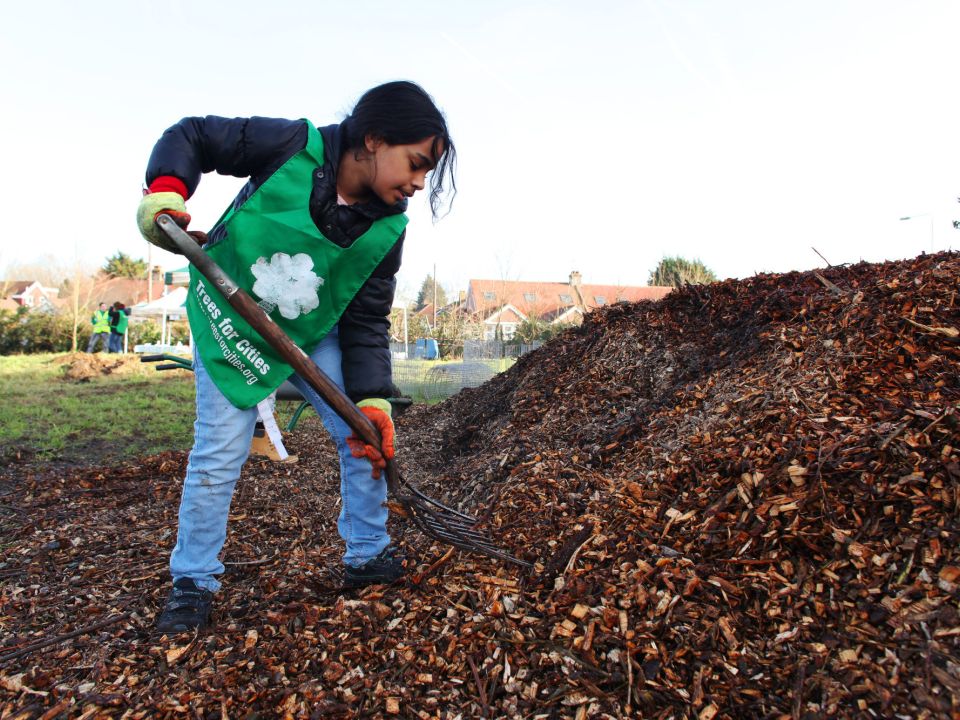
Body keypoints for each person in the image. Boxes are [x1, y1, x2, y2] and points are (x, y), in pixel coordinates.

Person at [136, 81, 456, 633]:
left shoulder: (387, 230)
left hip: (314, 329)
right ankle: (193, 580)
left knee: (363, 435)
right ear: (375, 139)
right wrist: (166, 191)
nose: (419, 183)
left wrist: (372, 397)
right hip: (229, 316)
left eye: (427, 172)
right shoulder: (290, 145)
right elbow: (193, 135)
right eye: (417, 163)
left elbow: (366, 319)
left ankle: (367, 554)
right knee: (219, 451)